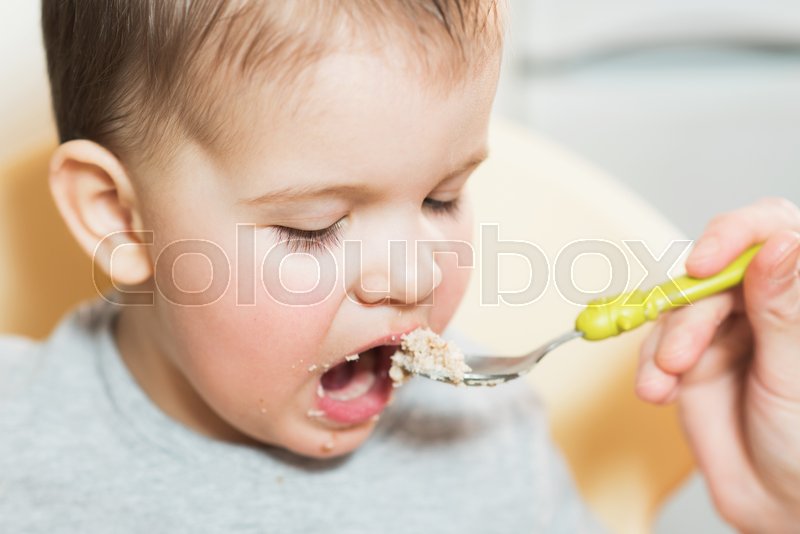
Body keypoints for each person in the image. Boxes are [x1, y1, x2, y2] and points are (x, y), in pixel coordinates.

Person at [0, 1, 797, 532]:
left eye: (442, 198)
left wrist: (782, 505)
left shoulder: (490, 447)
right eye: (314, 228)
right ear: (119, 216)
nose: (415, 278)